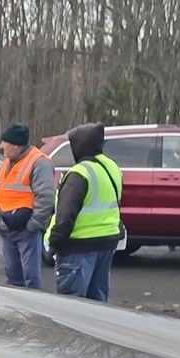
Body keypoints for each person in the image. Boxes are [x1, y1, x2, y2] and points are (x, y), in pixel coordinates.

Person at [44, 122, 122, 301]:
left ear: (80, 146)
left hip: (78, 247)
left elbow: (64, 217)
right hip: (107, 241)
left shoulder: (80, 174)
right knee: (97, 302)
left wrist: (53, 245)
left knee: (72, 306)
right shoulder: (112, 168)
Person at [0, 123, 55, 289]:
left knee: (31, 279)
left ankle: (33, 311)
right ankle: (15, 312)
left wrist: (32, 226)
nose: (1, 146)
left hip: (26, 230)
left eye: (5, 142)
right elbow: (1, 192)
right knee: (13, 278)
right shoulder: (6, 162)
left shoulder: (39, 162)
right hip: (6, 227)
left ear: (17, 146)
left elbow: (45, 198)